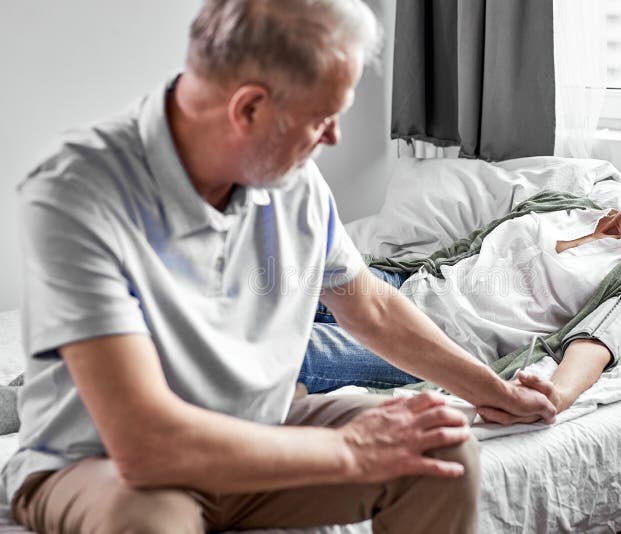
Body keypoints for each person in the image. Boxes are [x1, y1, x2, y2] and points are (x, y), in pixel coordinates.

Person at [2, 1, 558, 533]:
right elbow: (144, 442)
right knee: (147, 522)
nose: (333, 137)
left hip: (262, 433)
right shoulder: (77, 191)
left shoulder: (293, 180)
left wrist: (495, 390)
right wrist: (348, 449)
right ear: (248, 108)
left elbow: (371, 307)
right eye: (323, 118)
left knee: (440, 448)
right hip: (105, 462)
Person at [301, 146, 621, 416]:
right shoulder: (560, 204)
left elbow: (602, 336)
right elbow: (468, 248)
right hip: (403, 289)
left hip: (437, 343)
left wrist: (558, 395)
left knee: (288, 347)